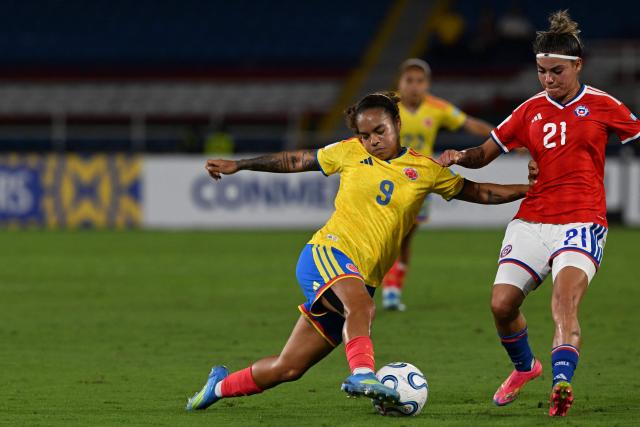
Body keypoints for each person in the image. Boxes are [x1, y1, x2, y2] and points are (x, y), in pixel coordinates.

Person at [185, 92, 531, 412]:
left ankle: (219, 385)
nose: (372, 141)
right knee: (362, 306)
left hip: (360, 277)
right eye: (365, 135)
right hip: (328, 252)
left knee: (288, 367)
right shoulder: (350, 151)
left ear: (397, 123)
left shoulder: (425, 170)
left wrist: (529, 191)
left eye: (378, 131)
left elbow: (481, 192)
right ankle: (364, 373)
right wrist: (241, 164)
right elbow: (296, 159)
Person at [439, 10, 640, 417]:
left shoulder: (604, 105)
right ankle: (525, 367)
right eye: (542, 71)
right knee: (501, 305)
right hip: (533, 219)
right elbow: (485, 153)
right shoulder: (528, 110)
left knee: (564, 302)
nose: (548, 79)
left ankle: (561, 380)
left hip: (583, 221)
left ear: (577, 66)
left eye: (556, 72)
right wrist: (460, 155)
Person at [381, 58, 494, 311]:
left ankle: (393, 289)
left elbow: (469, 123)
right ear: (400, 82)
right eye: (409, 80)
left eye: (419, 81)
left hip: (420, 181)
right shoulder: (389, 106)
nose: (414, 86)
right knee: (388, 233)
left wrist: (502, 137)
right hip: (389, 178)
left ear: (427, 84)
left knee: (406, 238)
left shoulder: (437, 107)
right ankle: (385, 286)